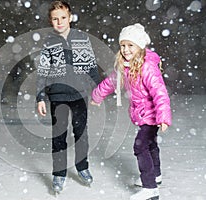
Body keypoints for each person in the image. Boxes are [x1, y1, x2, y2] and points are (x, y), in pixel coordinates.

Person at [91, 23, 172, 200]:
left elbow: (160, 93)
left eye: (130, 45)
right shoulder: (125, 66)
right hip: (142, 114)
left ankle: (150, 188)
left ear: (140, 46)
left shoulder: (147, 67)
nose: (126, 50)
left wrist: (163, 117)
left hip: (151, 116)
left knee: (140, 145)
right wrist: (96, 96)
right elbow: (110, 83)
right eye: (123, 45)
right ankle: (155, 175)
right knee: (150, 145)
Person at [36, 0, 100, 194]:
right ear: (51, 21)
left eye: (63, 17)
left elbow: (91, 66)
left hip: (79, 94)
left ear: (70, 17)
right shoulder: (49, 43)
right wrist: (40, 97)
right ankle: (59, 173)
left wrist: (97, 90)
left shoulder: (82, 38)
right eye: (55, 19)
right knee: (59, 135)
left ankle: (82, 167)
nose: (59, 22)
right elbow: (43, 71)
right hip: (58, 95)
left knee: (81, 133)